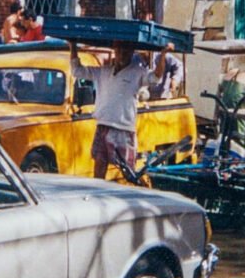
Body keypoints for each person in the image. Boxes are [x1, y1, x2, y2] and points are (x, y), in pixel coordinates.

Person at [70, 40, 172, 180]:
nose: (123, 54)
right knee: (99, 168)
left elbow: (156, 77)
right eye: (120, 50)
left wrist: (163, 55)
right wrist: (73, 46)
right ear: (114, 51)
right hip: (102, 126)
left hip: (124, 129)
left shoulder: (138, 72)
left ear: (132, 53)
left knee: (127, 174)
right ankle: (96, 197)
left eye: (127, 51)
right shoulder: (103, 71)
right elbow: (77, 70)